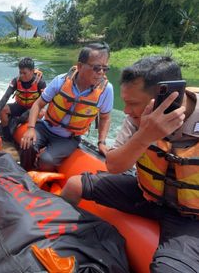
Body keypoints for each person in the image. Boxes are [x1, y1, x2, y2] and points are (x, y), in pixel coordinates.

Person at [61, 56, 199, 272]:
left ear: (167, 100)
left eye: (132, 104)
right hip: (146, 195)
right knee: (73, 185)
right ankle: (63, 243)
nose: (126, 110)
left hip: (190, 218)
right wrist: (145, 135)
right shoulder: (137, 118)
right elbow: (114, 166)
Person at [20, 42, 113, 171]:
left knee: (47, 160)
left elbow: (105, 117)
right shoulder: (61, 80)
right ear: (80, 66)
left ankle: (42, 181)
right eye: (96, 68)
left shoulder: (106, 90)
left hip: (68, 138)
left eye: (105, 68)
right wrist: (30, 128)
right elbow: (38, 104)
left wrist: (101, 142)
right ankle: (25, 174)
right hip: (45, 127)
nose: (101, 73)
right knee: (27, 144)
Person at [0, 57, 46, 141]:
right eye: (20, 72)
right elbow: (5, 97)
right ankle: (7, 136)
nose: (21, 75)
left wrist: (25, 116)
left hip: (33, 109)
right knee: (3, 110)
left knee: (42, 112)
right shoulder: (16, 81)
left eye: (24, 73)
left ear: (32, 71)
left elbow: (43, 103)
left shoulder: (40, 83)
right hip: (19, 106)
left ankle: (17, 121)